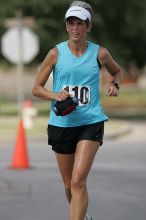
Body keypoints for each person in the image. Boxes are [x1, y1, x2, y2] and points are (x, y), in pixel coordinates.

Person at [32, 1, 123, 220]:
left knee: (77, 181)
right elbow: (36, 88)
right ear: (66, 26)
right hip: (61, 123)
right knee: (68, 185)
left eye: (80, 23)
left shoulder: (100, 53)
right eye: (71, 22)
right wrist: (55, 95)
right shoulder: (55, 53)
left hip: (90, 121)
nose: (75, 27)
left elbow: (117, 71)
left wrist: (115, 84)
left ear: (88, 26)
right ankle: (83, 216)